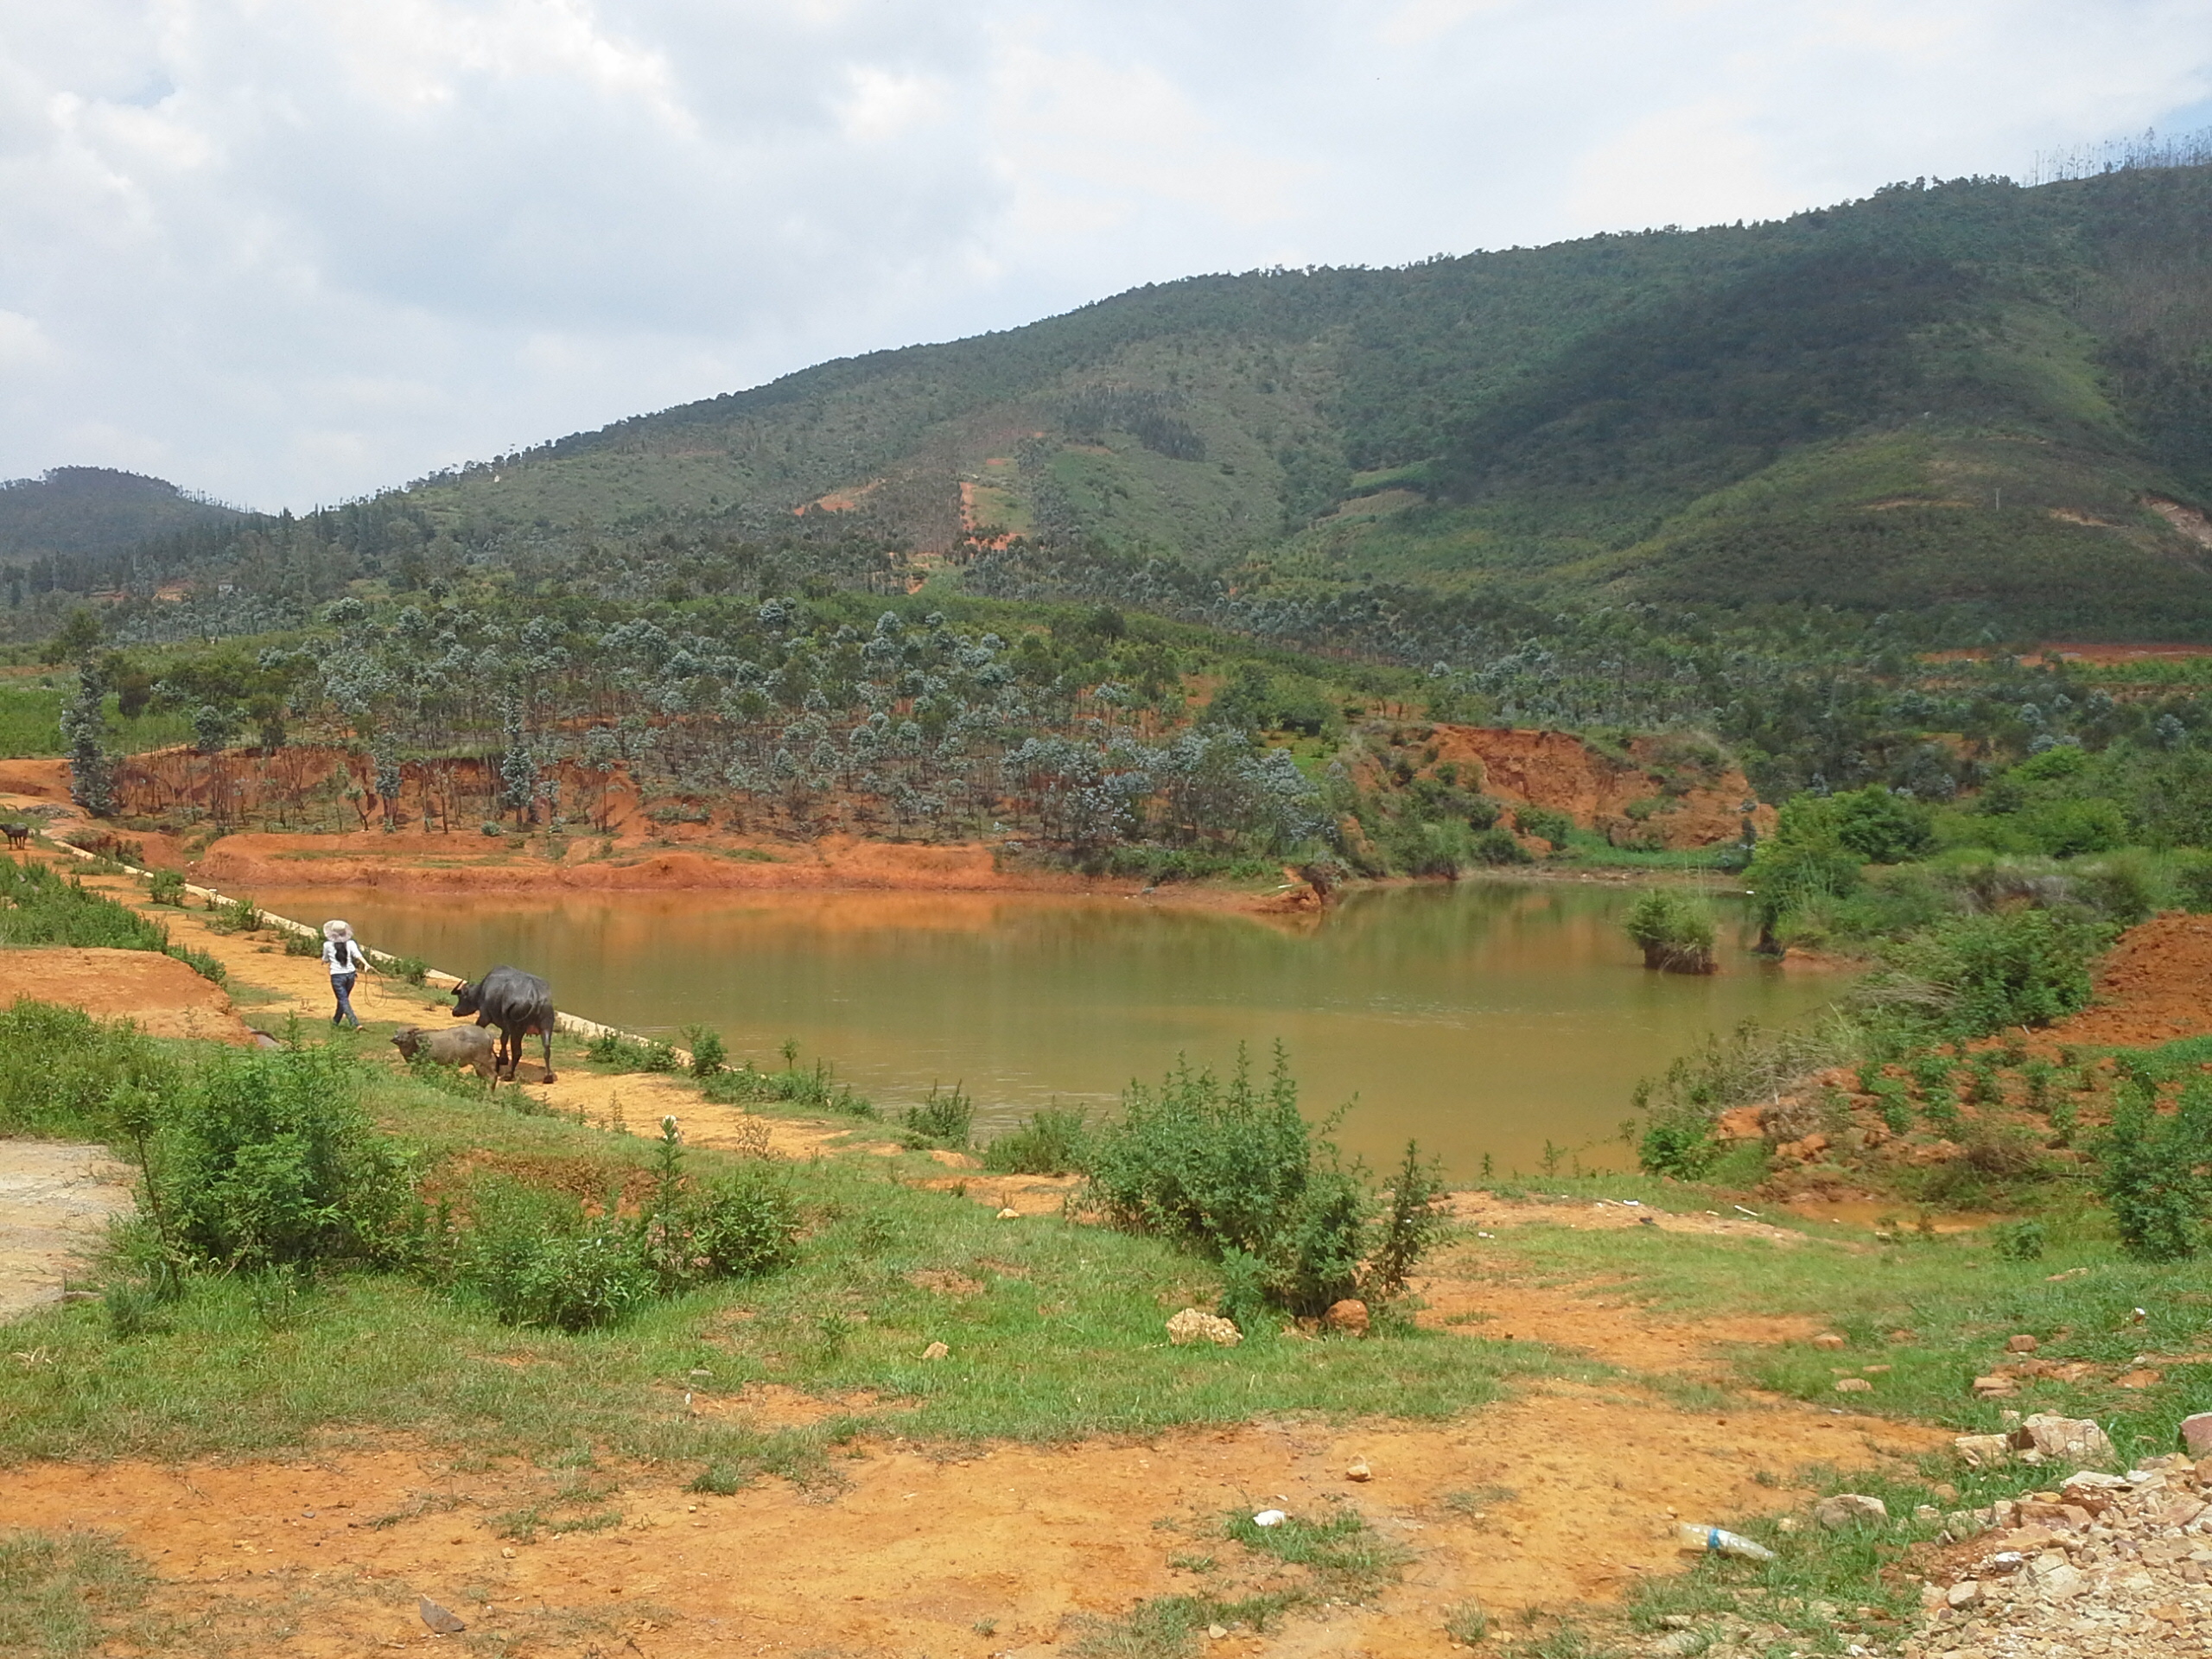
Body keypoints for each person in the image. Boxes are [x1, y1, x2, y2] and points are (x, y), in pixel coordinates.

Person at [321, 918, 372, 1029]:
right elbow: (357, 955)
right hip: (350, 975)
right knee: (343, 999)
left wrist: (324, 961)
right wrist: (366, 964)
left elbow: (325, 958)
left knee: (343, 999)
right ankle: (335, 1022)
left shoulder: (327, 945)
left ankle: (355, 1024)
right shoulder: (351, 943)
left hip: (337, 976)